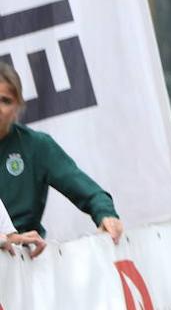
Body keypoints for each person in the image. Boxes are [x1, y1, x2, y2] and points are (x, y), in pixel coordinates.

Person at [0, 63, 124, 254]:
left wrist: (106, 214)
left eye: (5, 100)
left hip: (23, 264)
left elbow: (87, 190)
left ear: (18, 106)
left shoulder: (36, 146)